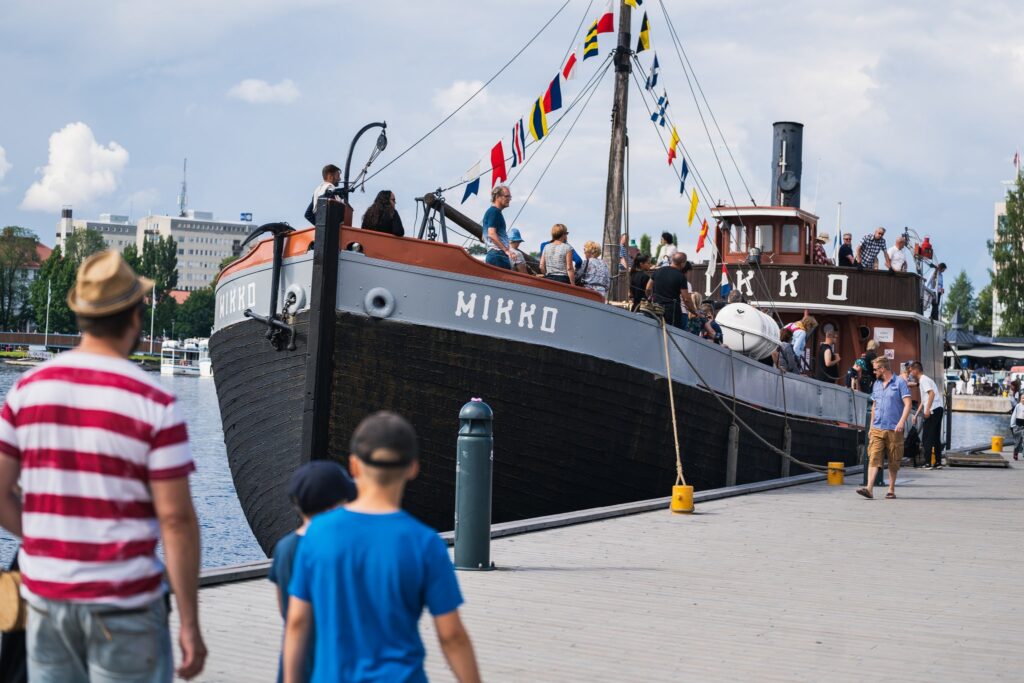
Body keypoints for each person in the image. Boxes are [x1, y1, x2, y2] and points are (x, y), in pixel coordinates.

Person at [0, 251, 206, 682]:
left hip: (44, 599)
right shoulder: (154, 403)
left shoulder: (26, 392)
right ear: (134, 317)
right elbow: (176, 521)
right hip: (125, 602)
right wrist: (189, 623)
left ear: (80, 317)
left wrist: (43, 537)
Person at [283, 412, 481, 683]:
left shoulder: (318, 533)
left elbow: (297, 622)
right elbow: (452, 636)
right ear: (413, 468)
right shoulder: (425, 543)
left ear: (353, 466)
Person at [269, 461, 357, 683]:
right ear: (334, 508)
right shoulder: (345, 547)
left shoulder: (284, 548)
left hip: (294, 657)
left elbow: (285, 609)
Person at [857, 356, 912, 500]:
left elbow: (908, 404)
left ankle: (891, 489)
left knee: (894, 460)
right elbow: (875, 405)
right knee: (873, 457)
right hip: (877, 427)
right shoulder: (876, 384)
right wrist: (871, 426)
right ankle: (869, 488)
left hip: (894, 428)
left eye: (875, 370)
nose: (874, 372)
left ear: (882, 369)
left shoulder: (900, 383)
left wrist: (901, 422)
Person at [909, 361, 944, 470]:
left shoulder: (923, 380)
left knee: (927, 437)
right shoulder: (926, 380)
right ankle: (938, 462)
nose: (910, 374)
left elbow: (931, 394)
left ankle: (928, 463)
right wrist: (916, 415)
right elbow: (924, 401)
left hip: (933, 410)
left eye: (911, 371)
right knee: (935, 437)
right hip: (939, 408)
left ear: (915, 370)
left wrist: (927, 410)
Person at [646, 252, 696, 329]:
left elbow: (648, 288)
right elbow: (686, 299)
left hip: (656, 309)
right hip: (671, 312)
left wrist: (649, 297)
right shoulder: (681, 277)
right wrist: (694, 311)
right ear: (683, 264)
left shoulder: (658, 271)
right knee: (671, 335)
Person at [483, 185, 516, 270]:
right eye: (506, 196)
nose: (509, 199)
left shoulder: (493, 212)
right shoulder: (494, 212)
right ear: (497, 197)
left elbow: (483, 237)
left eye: (510, 196)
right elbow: (491, 234)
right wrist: (506, 250)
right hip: (498, 256)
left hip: (495, 255)